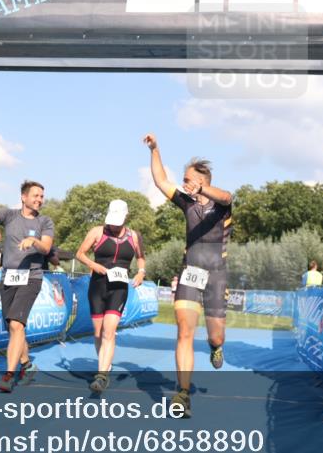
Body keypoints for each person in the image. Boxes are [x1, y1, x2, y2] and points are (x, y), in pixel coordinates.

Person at [144, 133, 233, 417]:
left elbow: (227, 195)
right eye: (183, 179)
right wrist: (155, 149)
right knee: (184, 331)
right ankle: (182, 394)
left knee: (216, 336)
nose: (183, 183)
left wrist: (204, 189)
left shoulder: (220, 203)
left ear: (201, 180)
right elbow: (160, 180)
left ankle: (215, 347)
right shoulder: (186, 202)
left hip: (217, 275)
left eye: (188, 179)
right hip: (190, 273)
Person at [0, 180, 55, 393]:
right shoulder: (9, 215)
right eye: (36, 195)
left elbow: (46, 247)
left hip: (32, 277)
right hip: (9, 277)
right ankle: (27, 365)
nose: (40, 199)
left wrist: (34, 242)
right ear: (24, 197)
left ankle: (9, 376)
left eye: (41, 196)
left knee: (17, 325)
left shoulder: (45, 222)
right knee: (13, 324)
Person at [75, 199, 146, 394]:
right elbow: (80, 253)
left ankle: (101, 376)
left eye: (118, 221)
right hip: (97, 287)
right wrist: (93, 265)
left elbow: (141, 256)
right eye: (112, 221)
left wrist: (141, 272)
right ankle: (105, 366)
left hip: (119, 288)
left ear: (126, 217)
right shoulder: (97, 231)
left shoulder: (134, 236)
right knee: (98, 333)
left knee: (109, 331)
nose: (114, 226)